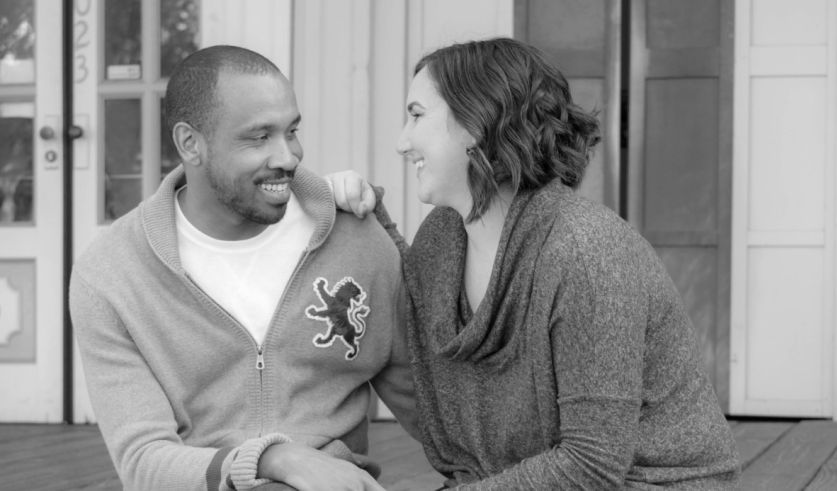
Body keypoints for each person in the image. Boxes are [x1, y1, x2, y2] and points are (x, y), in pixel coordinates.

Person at [329, 37, 741, 489]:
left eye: (416, 115)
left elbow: (592, 464)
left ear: (476, 121)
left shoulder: (586, 252)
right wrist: (357, 218)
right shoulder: (441, 241)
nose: (401, 142)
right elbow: (412, 317)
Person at [69, 45, 416, 491]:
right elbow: (143, 460)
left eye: (292, 131)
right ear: (190, 144)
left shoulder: (356, 241)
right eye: (259, 137)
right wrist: (274, 459)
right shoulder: (112, 275)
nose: (288, 156)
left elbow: (431, 409)